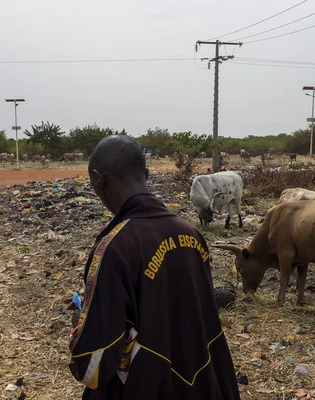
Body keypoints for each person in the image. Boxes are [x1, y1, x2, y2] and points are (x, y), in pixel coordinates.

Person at [67, 135, 240, 400]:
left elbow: (95, 366)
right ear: (145, 174)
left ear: (99, 179)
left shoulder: (113, 247)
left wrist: (81, 319)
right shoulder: (192, 234)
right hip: (201, 384)